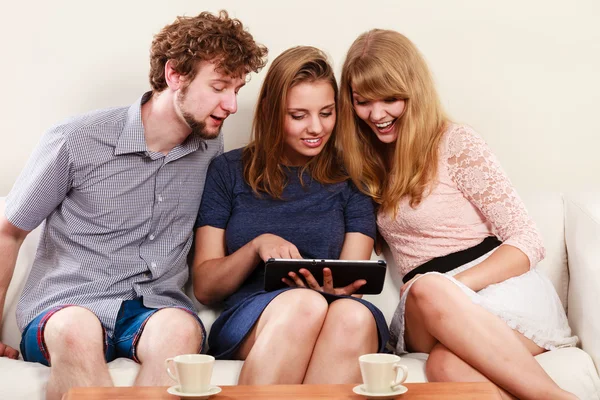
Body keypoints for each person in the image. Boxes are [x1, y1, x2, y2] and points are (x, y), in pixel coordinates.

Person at [0, 10, 266, 400]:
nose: (231, 104)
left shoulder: (209, 146)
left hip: (156, 308)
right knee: (76, 329)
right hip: (68, 304)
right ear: (175, 74)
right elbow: (9, 231)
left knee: (179, 330)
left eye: (237, 89)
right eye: (219, 86)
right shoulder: (76, 140)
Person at [337, 29, 578, 400]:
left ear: (412, 92)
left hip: (497, 289)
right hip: (422, 303)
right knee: (429, 287)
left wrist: (457, 286)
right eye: (363, 101)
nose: (377, 114)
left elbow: (528, 240)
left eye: (389, 99)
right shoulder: (362, 165)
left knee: (445, 366)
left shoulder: (454, 142)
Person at [192, 46, 389, 385]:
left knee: (353, 315)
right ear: (270, 112)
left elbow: (353, 281)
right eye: (298, 116)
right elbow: (206, 288)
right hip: (253, 315)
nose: (316, 128)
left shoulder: (351, 179)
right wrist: (257, 247)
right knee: (303, 305)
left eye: (326, 113)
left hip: (333, 310)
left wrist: (342, 293)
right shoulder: (228, 171)